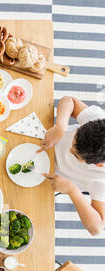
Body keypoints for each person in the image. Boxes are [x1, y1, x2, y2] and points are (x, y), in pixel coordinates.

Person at [37, 96, 105, 235]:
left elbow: (97, 228)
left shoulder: (102, 180)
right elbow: (70, 101)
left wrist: (72, 190)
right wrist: (60, 128)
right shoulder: (97, 120)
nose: (69, 150)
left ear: (98, 164)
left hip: (46, 178)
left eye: (75, 155)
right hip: (43, 138)